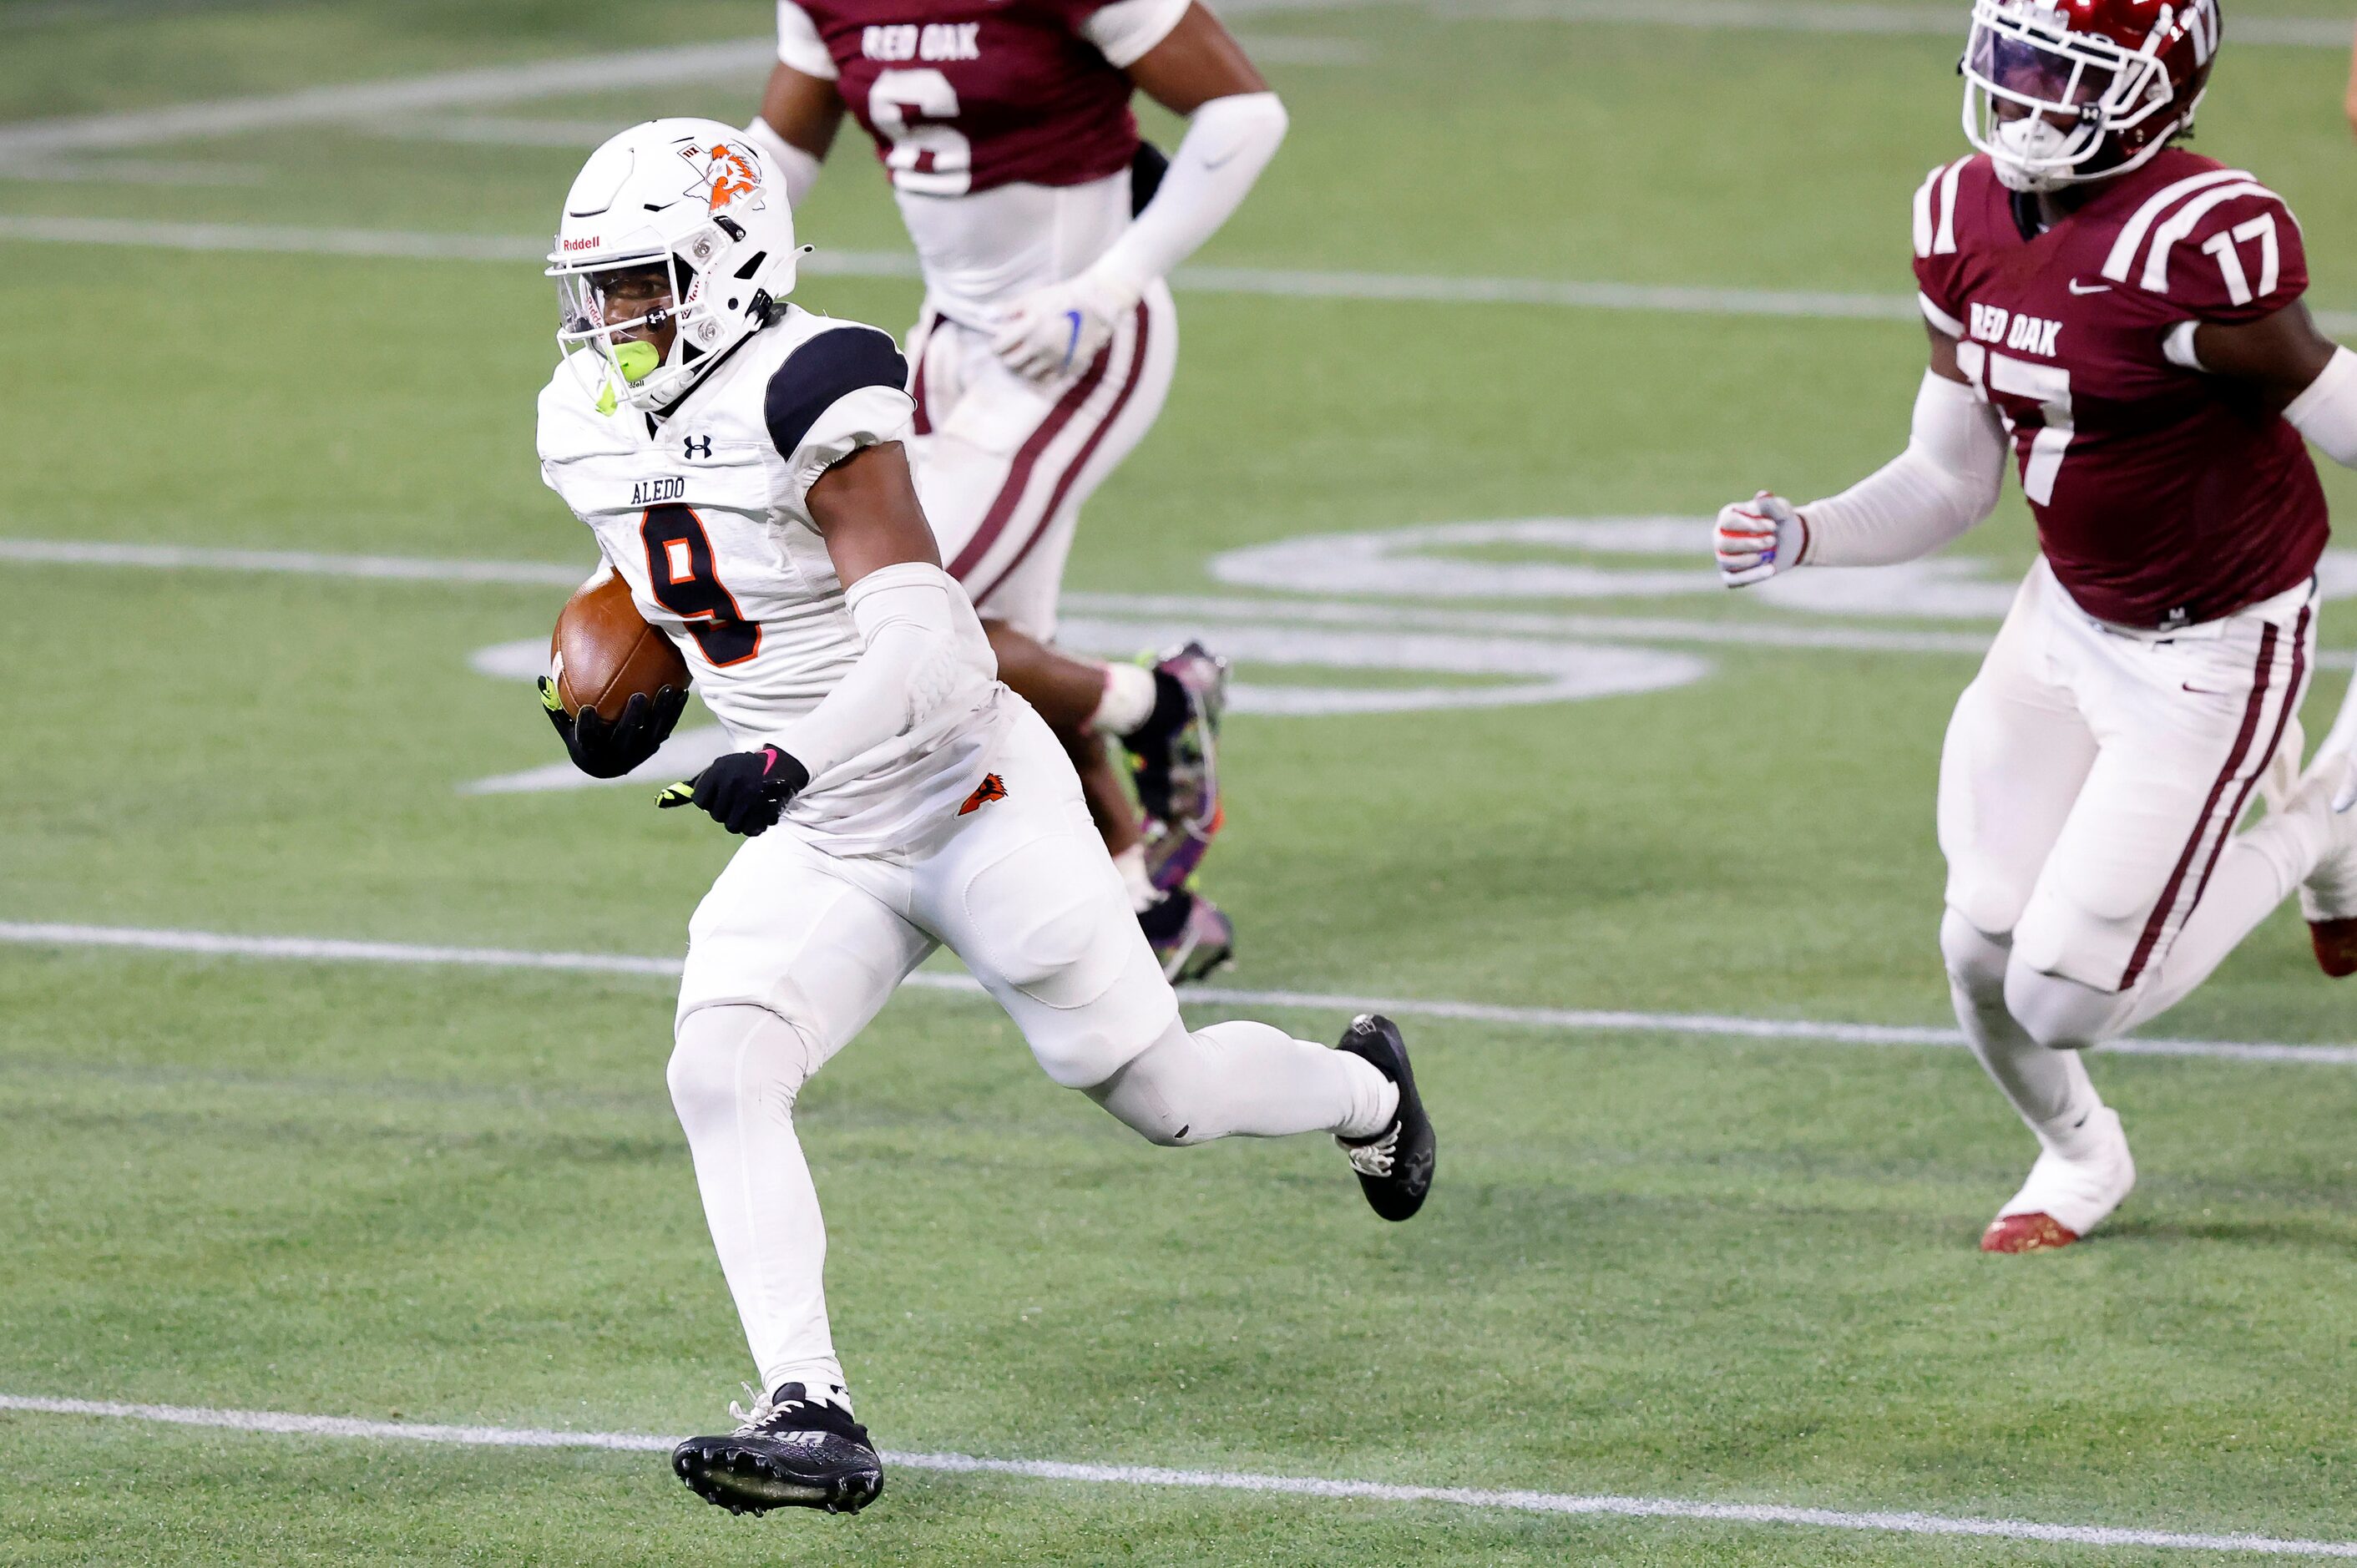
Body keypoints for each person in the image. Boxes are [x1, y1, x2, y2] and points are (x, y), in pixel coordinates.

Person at [533, 119, 1435, 1516]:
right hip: (833, 837)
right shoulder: (580, 416)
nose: (608, 321)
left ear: (723, 269)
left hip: (965, 788)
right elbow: (665, 567)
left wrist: (786, 757)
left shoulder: (812, 387)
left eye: (639, 285)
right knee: (717, 1065)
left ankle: (1367, 1089)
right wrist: (608, 666)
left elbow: (935, 643)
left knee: (1162, 1095)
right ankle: (809, 1403)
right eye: (593, 291)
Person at [1713, 0, 2357, 1253]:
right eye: (2010, 66)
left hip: (2211, 646)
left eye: (2059, 77)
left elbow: (2331, 403)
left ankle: (2322, 819)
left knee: (2060, 995)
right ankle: (2077, 1151)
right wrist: (1806, 534)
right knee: (1978, 936)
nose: (2021, 102)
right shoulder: (1956, 212)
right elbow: (1948, 479)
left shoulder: (2195, 236)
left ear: (2151, 90)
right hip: (2063, 618)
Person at [736, 0, 1293, 982]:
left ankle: (1159, 705)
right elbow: (780, 161)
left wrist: (1109, 285)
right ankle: (1147, 899)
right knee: (981, 654)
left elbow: (1244, 115)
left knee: (908, 610)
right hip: (952, 339)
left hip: (1078, 338)